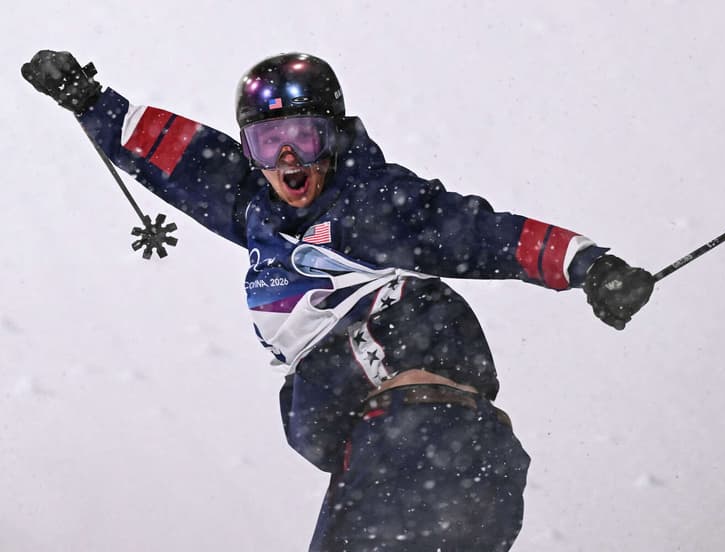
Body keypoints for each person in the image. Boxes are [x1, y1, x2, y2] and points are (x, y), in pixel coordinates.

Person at [22, 50, 655, 551]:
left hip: (419, 408)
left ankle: (432, 427)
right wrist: (90, 101)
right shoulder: (255, 206)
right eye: (269, 144)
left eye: (305, 137)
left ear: (334, 137)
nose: (289, 159)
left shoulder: (373, 203)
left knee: (406, 455)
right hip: (365, 432)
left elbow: (485, 232)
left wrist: (589, 266)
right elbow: (186, 159)